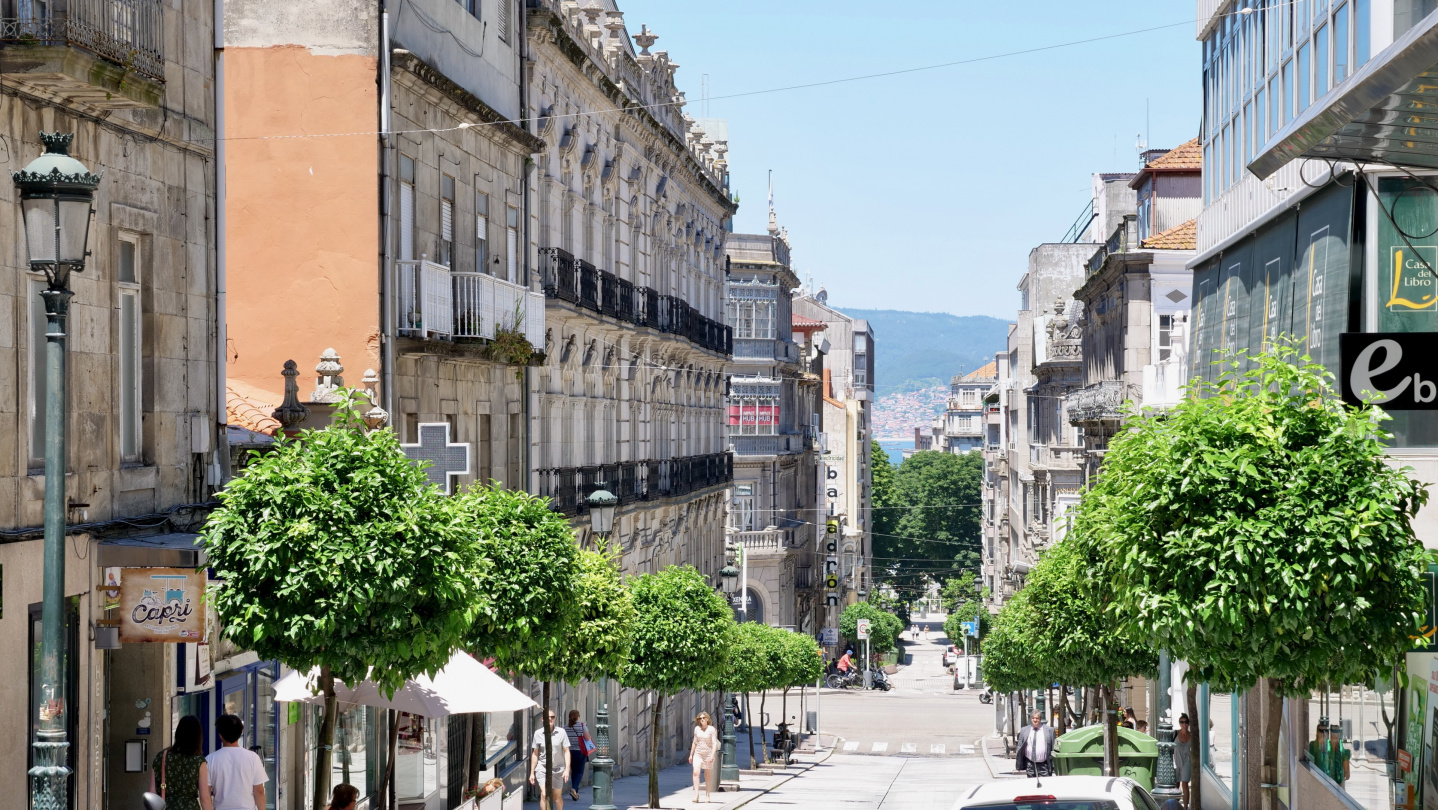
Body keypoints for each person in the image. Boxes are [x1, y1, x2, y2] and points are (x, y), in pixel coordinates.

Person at [150, 715, 213, 810]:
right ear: (198, 736)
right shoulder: (199, 761)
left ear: (178, 733)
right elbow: (204, 799)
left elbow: (152, 792)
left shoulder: (162, 757)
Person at [207, 714, 268, 810]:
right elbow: (259, 792)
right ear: (240, 733)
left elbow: (206, 795)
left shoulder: (210, 760)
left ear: (220, 735)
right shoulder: (253, 758)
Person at [530, 709, 571, 810]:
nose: (550, 719)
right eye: (547, 717)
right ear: (543, 719)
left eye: (552, 717)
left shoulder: (561, 732)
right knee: (544, 795)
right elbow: (535, 754)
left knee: (557, 798)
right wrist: (532, 772)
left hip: (558, 769)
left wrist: (567, 769)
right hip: (542, 768)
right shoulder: (538, 733)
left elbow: (566, 751)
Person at [689, 712, 720, 803]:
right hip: (698, 754)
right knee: (696, 772)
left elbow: (714, 743)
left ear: (707, 719)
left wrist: (712, 755)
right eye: (700, 718)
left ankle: (707, 795)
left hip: (708, 754)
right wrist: (691, 754)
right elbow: (695, 742)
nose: (702, 719)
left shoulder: (711, 729)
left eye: (703, 718)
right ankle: (696, 795)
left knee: (707, 775)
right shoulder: (697, 729)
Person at [1015, 711, 1055, 778]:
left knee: (1045, 785)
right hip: (1030, 764)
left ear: (1040, 719)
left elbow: (1053, 748)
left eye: (1037, 718)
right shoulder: (1024, 730)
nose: (1035, 720)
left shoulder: (1049, 730)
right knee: (1031, 785)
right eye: (1033, 718)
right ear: (1031, 719)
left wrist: (1053, 765)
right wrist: (1019, 764)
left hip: (1044, 765)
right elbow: (1019, 747)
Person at [565, 709, 589, 801]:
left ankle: (575, 792)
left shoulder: (565, 727)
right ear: (578, 717)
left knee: (573, 771)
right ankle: (574, 789)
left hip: (569, 752)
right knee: (579, 772)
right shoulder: (582, 725)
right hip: (580, 751)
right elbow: (587, 738)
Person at [1174, 713, 1194, 810]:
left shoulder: (1192, 736)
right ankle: (1175, 805)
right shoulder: (1175, 734)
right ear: (1179, 723)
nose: (1184, 724)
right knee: (1176, 784)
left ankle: (1185, 807)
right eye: (1182, 722)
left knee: (1185, 784)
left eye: (1186, 722)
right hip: (1176, 761)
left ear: (1188, 724)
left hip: (1186, 762)